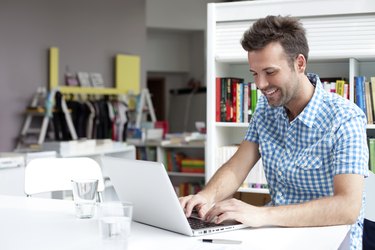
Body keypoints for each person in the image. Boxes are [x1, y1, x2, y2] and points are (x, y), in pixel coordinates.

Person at [179, 15, 368, 249]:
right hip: (276, 234)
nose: (260, 84)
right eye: (254, 73)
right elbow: (237, 166)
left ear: (300, 63)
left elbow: (347, 207)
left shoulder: (345, 118)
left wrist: (262, 215)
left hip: (331, 236)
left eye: (269, 72)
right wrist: (206, 197)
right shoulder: (266, 110)